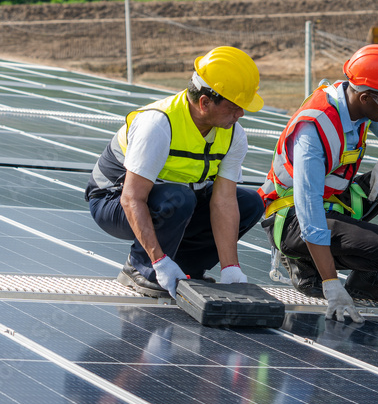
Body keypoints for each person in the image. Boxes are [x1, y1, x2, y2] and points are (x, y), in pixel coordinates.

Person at [260, 44, 378, 322]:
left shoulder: (361, 106)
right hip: (292, 220)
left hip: (336, 203)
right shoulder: (314, 128)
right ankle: (302, 261)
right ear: (365, 98)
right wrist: (331, 285)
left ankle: (366, 280)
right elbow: (310, 211)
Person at [86, 46, 265, 297]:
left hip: (176, 200)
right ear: (204, 102)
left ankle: (186, 267)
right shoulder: (158, 124)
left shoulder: (234, 134)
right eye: (234, 106)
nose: (241, 114)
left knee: (250, 203)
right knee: (180, 198)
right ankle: (141, 267)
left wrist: (230, 268)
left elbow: (224, 201)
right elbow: (131, 198)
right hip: (114, 201)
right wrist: (159, 261)